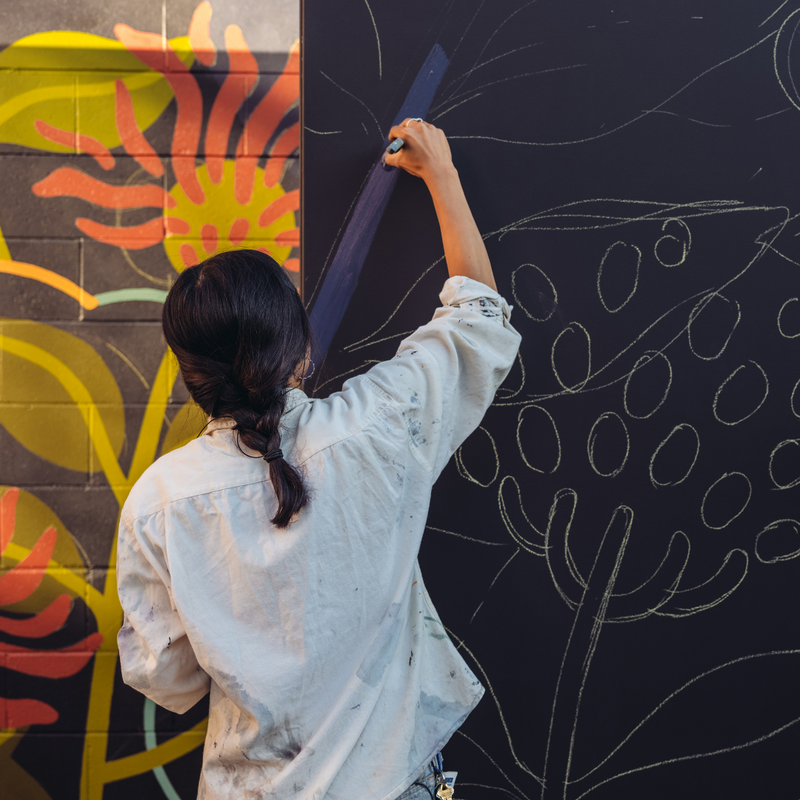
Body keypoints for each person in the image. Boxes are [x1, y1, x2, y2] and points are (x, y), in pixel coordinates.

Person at [116, 119, 521, 800]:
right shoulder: (378, 426)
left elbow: (170, 680)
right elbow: (481, 317)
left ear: (192, 375)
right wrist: (442, 176)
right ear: (300, 351)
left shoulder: (160, 502)